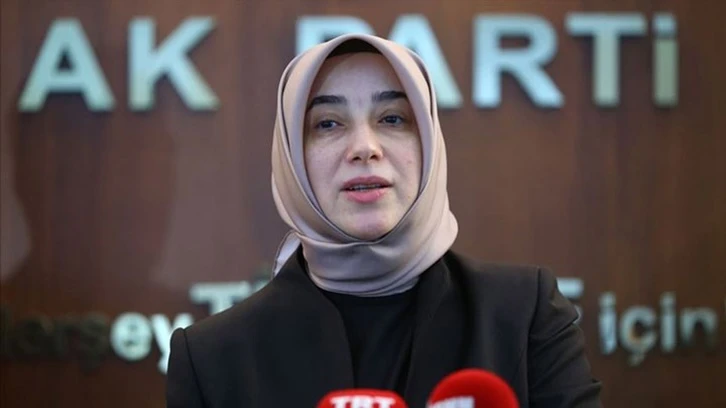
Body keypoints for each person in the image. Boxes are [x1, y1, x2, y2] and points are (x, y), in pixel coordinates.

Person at [165, 33, 602, 408]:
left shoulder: (524, 316)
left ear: (428, 142)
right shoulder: (212, 357)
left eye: (392, 119)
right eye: (328, 124)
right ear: (292, 159)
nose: (364, 148)